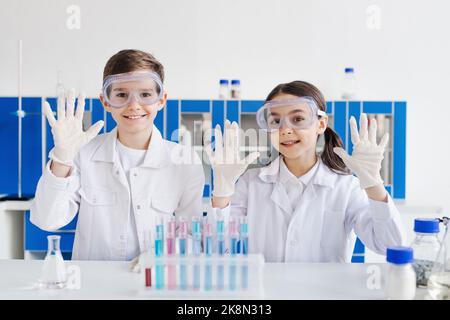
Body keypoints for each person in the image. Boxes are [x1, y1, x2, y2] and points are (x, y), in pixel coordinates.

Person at [30, 49, 204, 261]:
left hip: (157, 284)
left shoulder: (185, 161)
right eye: (121, 94)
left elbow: (191, 234)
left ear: (161, 99)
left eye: (146, 94)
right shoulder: (83, 154)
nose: (134, 105)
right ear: (105, 101)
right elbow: (47, 220)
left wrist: (159, 257)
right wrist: (62, 158)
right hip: (94, 289)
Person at [206, 80, 405, 262]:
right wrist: (221, 193)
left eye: (298, 119)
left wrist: (374, 185)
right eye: (276, 121)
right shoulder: (251, 183)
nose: (285, 129)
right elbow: (216, 248)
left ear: (321, 124)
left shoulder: (346, 187)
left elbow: (389, 245)